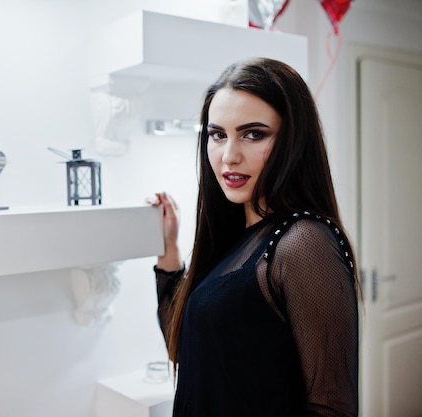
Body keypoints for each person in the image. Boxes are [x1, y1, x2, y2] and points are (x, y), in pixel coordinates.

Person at [149, 57, 359, 417]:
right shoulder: (233, 237)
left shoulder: (301, 243)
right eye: (218, 135)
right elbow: (184, 346)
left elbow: (331, 406)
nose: (229, 156)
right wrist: (168, 249)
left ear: (293, 140)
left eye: (253, 134)